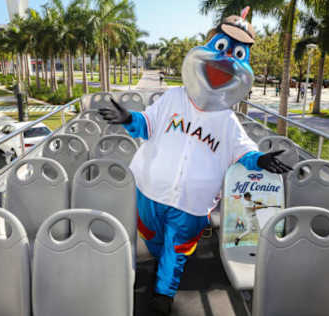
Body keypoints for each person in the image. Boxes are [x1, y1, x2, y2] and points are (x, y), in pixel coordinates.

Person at [99, 9, 291, 315]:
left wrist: (263, 161)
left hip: (192, 203)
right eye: (221, 47)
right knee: (152, 237)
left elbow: (244, 152)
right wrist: (127, 118)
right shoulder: (173, 98)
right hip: (151, 191)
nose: (225, 60)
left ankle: (164, 292)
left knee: (177, 249)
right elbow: (146, 125)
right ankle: (163, 266)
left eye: (236, 54)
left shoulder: (227, 120)